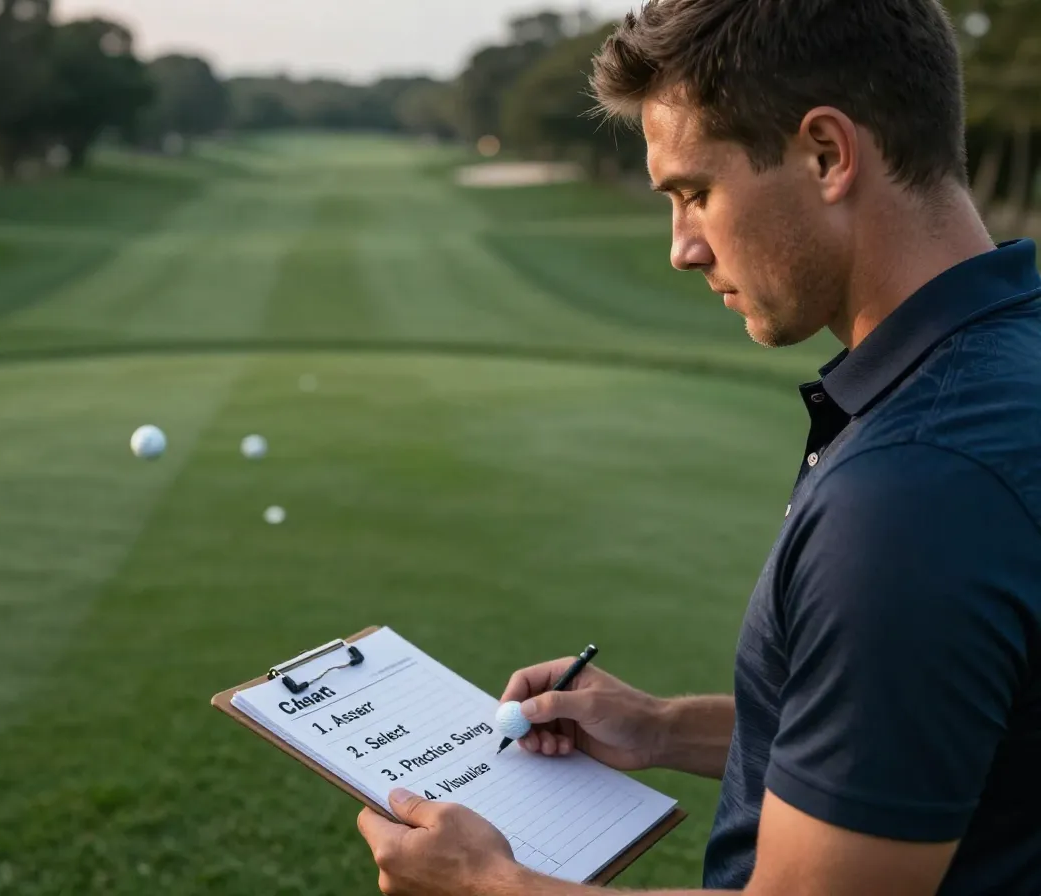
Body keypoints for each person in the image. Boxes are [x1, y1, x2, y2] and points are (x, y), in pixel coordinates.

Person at [355, 0, 1041, 893]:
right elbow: (943, 741)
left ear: (827, 154)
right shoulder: (1007, 364)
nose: (682, 247)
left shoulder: (913, 494)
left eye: (694, 192)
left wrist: (492, 885)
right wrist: (663, 727)